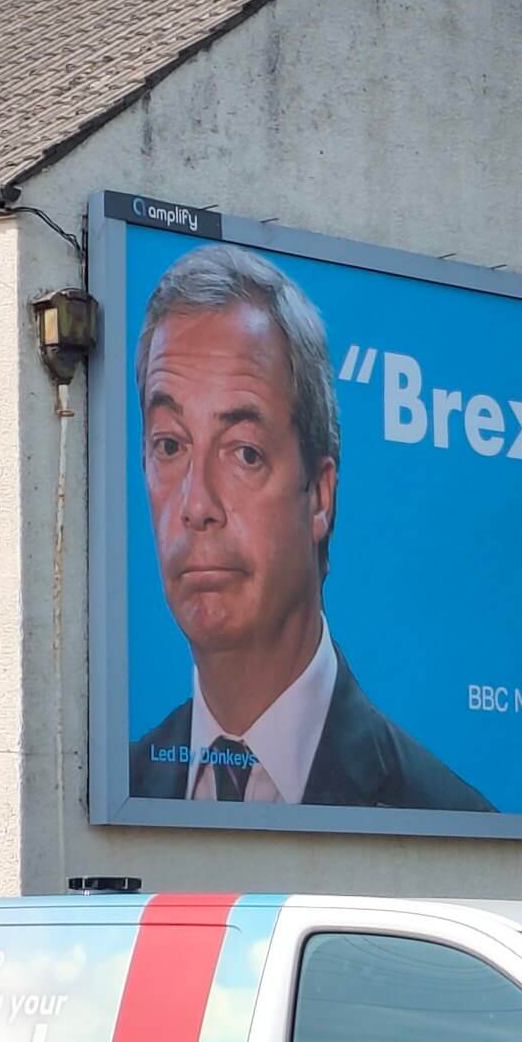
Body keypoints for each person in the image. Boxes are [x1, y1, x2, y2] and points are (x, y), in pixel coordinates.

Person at [127, 242, 493, 812]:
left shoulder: (442, 813)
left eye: (243, 452)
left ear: (320, 498)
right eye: (170, 445)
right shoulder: (123, 780)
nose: (196, 505)